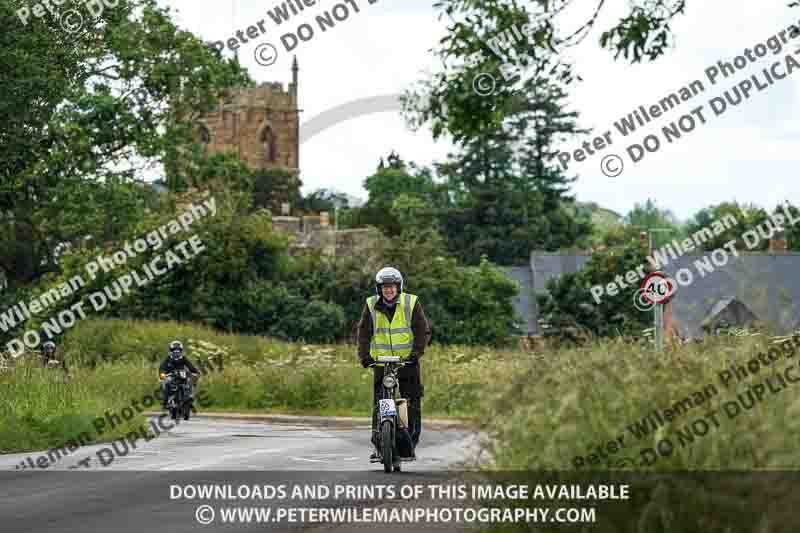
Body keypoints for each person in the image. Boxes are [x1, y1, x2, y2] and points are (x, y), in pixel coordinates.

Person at [357, 267, 431, 461]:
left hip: (407, 362)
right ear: (379, 289)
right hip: (381, 363)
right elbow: (363, 332)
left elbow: (422, 330)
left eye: (392, 287)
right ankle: (380, 446)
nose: (388, 290)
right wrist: (365, 356)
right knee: (379, 403)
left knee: (411, 401)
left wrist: (416, 354)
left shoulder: (410, 303)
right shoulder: (371, 305)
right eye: (384, 287)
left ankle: (409, 446)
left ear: (398, 287)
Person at [159, 341, 200, 410]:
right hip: (170, 375)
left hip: (181, 375)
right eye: (174, 351)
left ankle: (189, 397)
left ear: (181, 351)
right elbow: (162, 367)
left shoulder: (183, 358)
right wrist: (162, 373)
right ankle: (165, 402)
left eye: (178, 351)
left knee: (189, 381)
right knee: (165, 383)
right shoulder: (168, 358)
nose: (176, 352)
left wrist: (196, 372)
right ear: (171, 351)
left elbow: (190, 366)